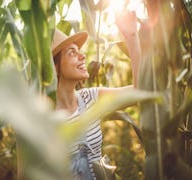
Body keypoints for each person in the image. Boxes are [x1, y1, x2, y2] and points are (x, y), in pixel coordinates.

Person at [52, 10, 141, 180]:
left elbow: (138, 92)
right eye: (72, 52)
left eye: (79, 51)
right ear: (55, 67)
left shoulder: (90, 98)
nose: (82, 56)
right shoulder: (43, 116)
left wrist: (131, 37)